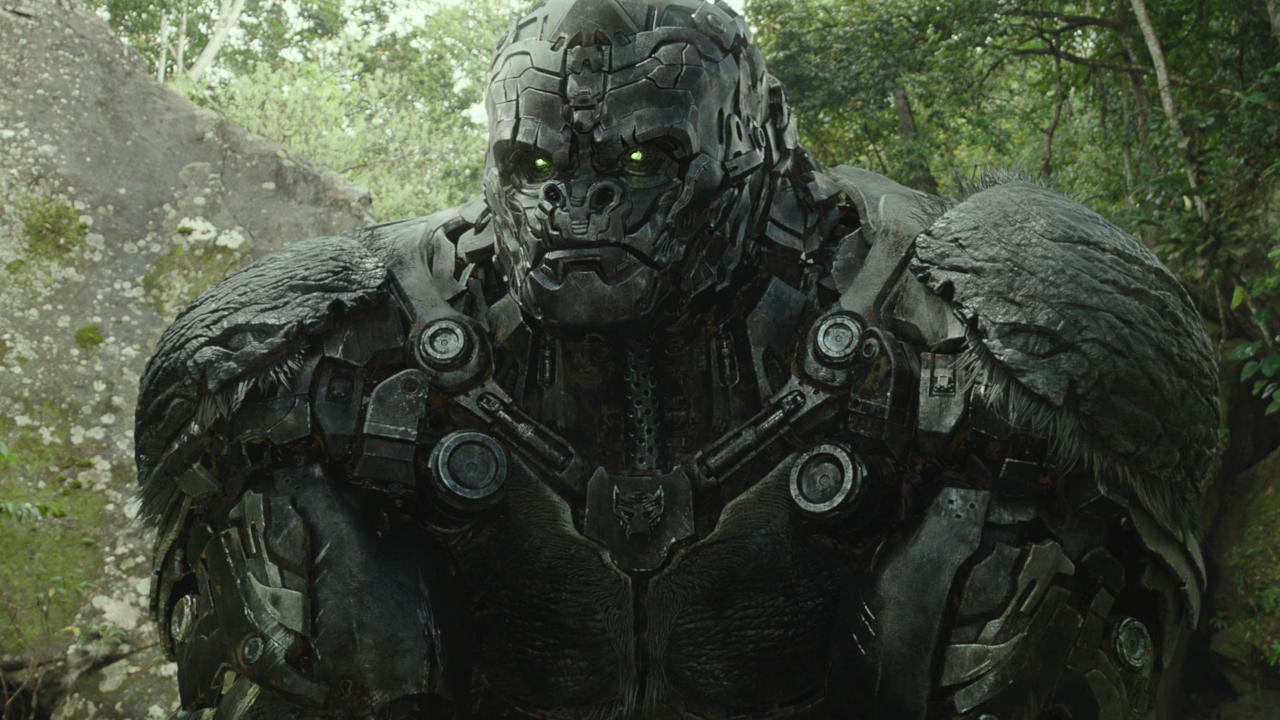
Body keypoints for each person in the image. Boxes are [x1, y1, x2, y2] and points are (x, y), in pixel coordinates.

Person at [134, 1, 1218, 718]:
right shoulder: (373, 314)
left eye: (645, 157)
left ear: (760, 130)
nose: (581, 201)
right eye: (536, 166)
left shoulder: (933, 292)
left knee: (1013, 544)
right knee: (276, 528)